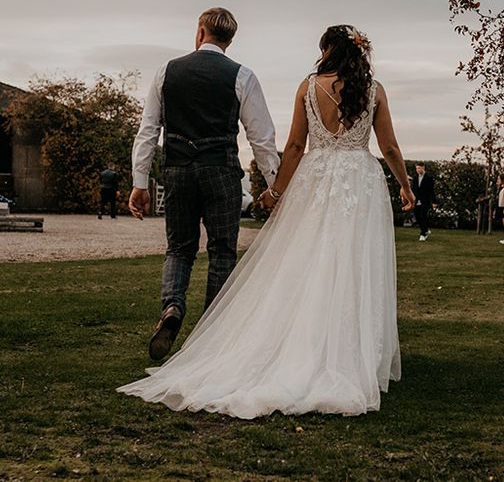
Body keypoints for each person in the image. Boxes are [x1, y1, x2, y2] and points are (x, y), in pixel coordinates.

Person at [118, 24, 414, 418]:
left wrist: (275, 191)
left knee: (306, 260)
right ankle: (346, 352)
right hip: (359, 182)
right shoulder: (374, 90)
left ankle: (293, 345)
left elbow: (293, 145)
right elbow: (389, 146)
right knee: (354, 263)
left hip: (315, 178)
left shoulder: (308, 88)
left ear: (326, 50)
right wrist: (406, 186)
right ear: (359, 51)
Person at [127, 8, 280, 361]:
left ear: (199, 32)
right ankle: (211, 332)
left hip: (178, 169)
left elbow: (148, 129)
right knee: (222, 251)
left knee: (179, 248)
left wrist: (140, 182)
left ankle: (172, 308)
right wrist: (274, 186)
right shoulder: (242, 75)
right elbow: (262, 138)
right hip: (221, 171)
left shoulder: (167, 71)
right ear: (229, 40)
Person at [412, 163, 436, 241]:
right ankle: (425, 230)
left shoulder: (429, 178)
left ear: (423, 168)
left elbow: (431, 191)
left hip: (425, 200)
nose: (418, 170)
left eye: (419, 168)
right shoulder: (415, 178)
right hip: (416, 200)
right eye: (416, 168)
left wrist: (434, 202)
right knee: (417, 215)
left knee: (423, 215)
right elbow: (414, 189)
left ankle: (423, 234)